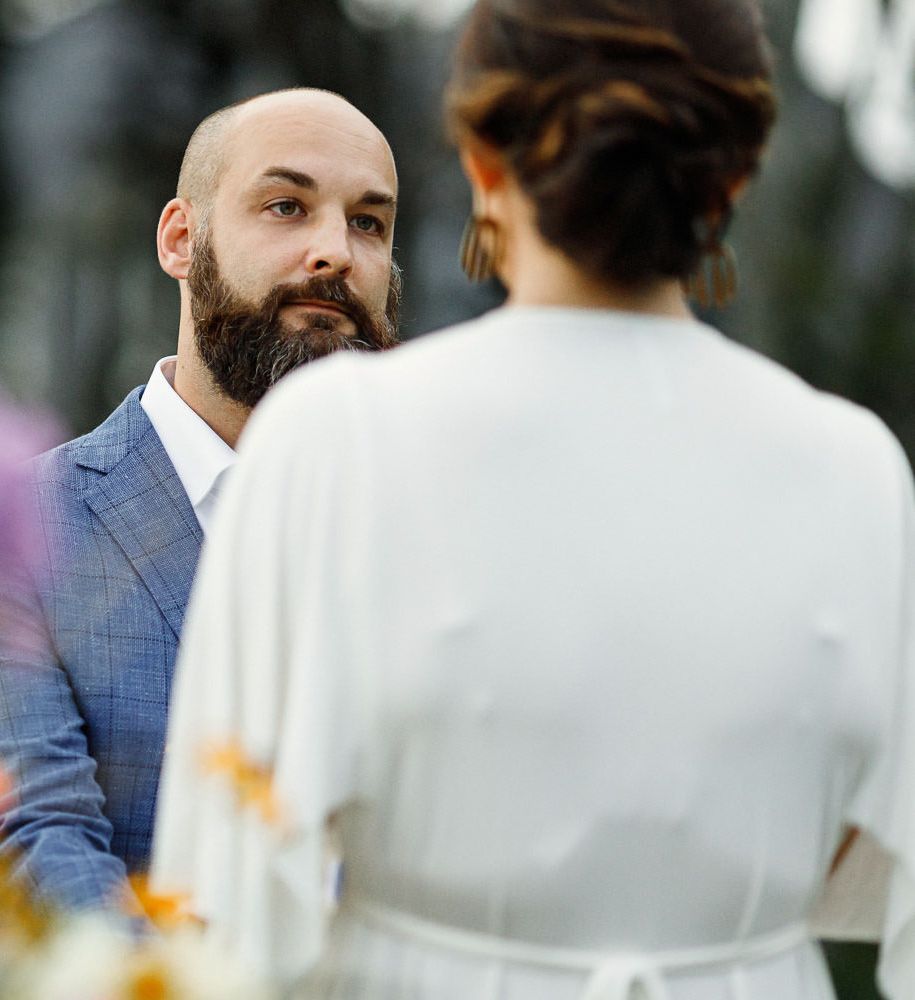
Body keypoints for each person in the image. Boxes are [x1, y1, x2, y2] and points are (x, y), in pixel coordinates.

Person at [150, 3, 915, 999]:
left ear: (482, 162)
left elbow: (230, 901)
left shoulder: (338, 439)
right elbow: (875, 864)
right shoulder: (855, 468)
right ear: (733, 175)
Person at [0, 88, 402, 914]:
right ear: (180, 237)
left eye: (368, 222)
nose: (334, 252)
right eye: (286, 206)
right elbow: (27, 844)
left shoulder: (436, 533)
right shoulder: (18, 534)